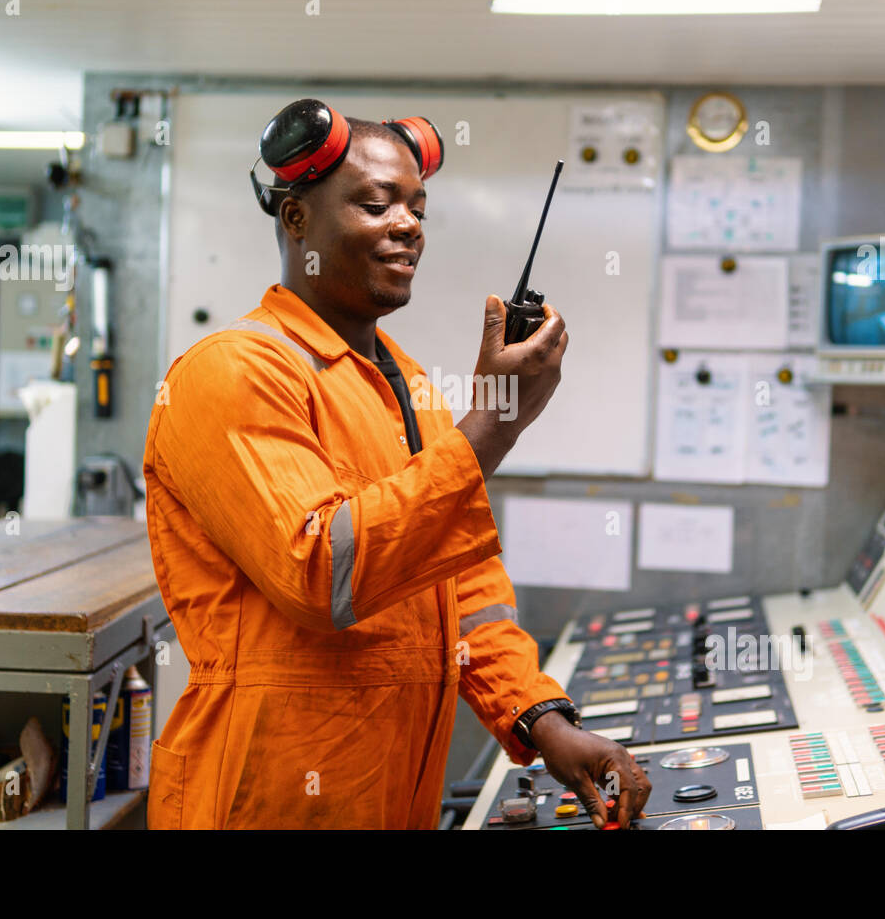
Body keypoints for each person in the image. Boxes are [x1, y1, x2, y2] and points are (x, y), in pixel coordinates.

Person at [142, 109, 651, 828]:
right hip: (268, 797)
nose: (409, 225)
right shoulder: (233, 372)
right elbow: (321, 573)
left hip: (393, 797)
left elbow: (466, 594)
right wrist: (491, 429)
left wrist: (542, 721)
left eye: (418, 208)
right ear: (296, 217)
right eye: (376, 204)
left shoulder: (408, 386)